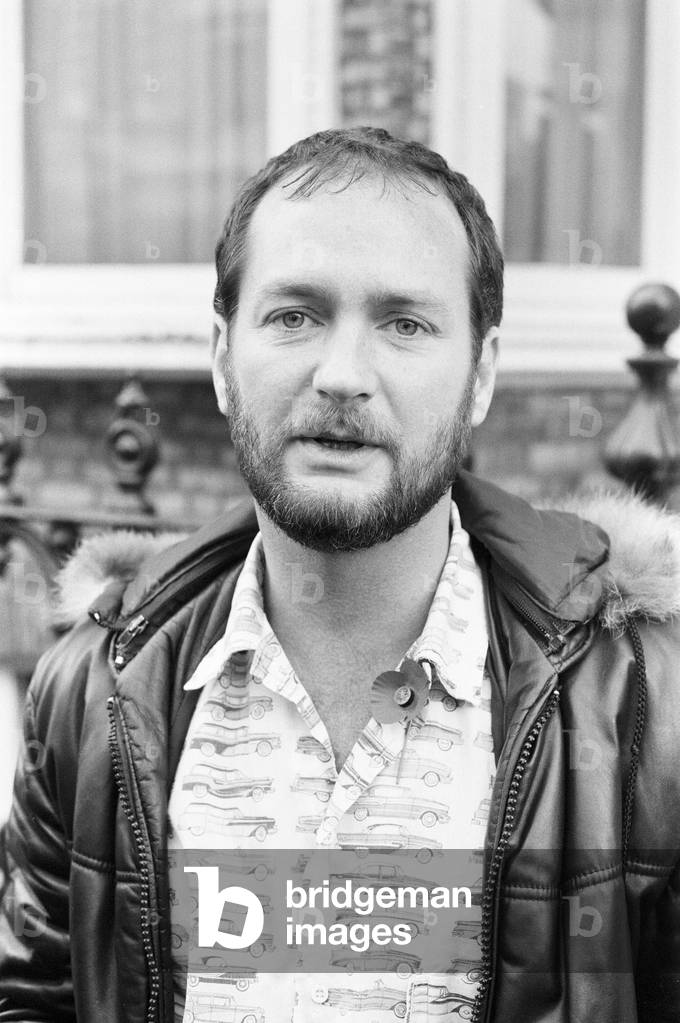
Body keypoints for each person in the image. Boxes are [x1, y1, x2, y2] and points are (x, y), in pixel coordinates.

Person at [1, 126, 679, 1023]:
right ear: (220, 355)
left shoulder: (647, 707)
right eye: (295, 315)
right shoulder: (88, 693)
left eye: (404, 322)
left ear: (481, 375)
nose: (342, 373)